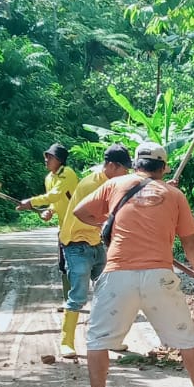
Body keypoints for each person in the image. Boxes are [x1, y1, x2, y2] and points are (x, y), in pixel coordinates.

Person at [71, 140, 194, 387]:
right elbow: (191, 240)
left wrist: (109, 221)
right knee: (188, 341)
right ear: (164, 167)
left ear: (135, 165)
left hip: (117, 275)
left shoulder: (115, 185)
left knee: (97, 340)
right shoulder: (174, 194)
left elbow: (80, 211)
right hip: (160, 277)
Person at [54, 145, 133, 358]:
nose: (126, 173)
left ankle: (111, 339)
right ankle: (66, 342)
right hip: (76, 244)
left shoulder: (112, 182)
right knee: (78, 295)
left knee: (110, 292)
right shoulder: (92, 184)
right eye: (123, 169)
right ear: (111, 165)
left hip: (95, 243)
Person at [16, 144, 79, 300]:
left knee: (80, 266)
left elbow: (55, 195)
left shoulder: (67, 173)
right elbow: (56, 201)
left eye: (49, 157)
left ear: (59, 160)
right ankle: (70, 301)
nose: (46, 160)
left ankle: (84, 299)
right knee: (63, 265)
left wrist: (31, 202)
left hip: (79, 226)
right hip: (64, 228)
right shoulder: (49, 178)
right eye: (46, 156)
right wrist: (50, 211)